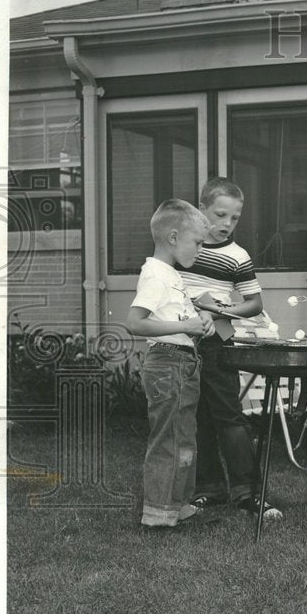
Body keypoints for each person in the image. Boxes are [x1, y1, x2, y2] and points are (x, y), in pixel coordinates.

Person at [178, 177, 282, 519]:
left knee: (228, 417)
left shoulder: (237, 256)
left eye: (234, 218)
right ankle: (210, 488)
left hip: (216, 343)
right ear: (201, 208)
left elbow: (254, 303)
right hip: (180, 342)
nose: (226, 224)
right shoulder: (180, 247)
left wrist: (222, 311)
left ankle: (248, 492)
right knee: (197, 419)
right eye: (220, 215)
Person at [126, 199, 216, 528]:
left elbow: (178, 316)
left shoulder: (170, 275)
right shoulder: (155, 274)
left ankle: (176, 504)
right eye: (198, 242)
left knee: (184, 436)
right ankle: (158, 512)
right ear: (174, 237)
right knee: (170, 438)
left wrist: (200, 319)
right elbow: (135, 323)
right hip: (167, 363)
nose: (201, 249)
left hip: (183, 362)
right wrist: (185, 327)